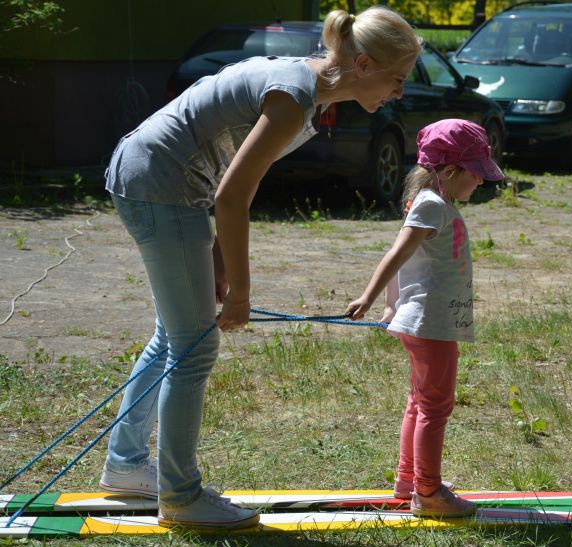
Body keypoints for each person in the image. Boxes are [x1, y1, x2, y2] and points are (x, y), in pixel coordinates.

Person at [99, 7, 421, 530]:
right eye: (397, 79)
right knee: (194, 345)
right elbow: (231, 198)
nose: (399, 93)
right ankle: (179, 497)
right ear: (363, 64)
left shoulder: (306, 93)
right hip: (161, 183)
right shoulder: (294, 96)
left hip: (160, 179)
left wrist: (218, 258)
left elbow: (234, 173)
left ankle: (126, 464)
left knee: (174, 336)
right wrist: (241, 294)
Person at [347, 119, 504, 517]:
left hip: (429, 321)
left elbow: (405, 258)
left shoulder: (434, 204)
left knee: (420, 402)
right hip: (430, 323)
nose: (480, 180)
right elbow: (397, 253)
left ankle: (409, 481)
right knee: (435, 406)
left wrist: (390, 304)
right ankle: (429, 494)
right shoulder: (432, 204)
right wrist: (370, 298)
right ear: (449, 171)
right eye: (475, 172)